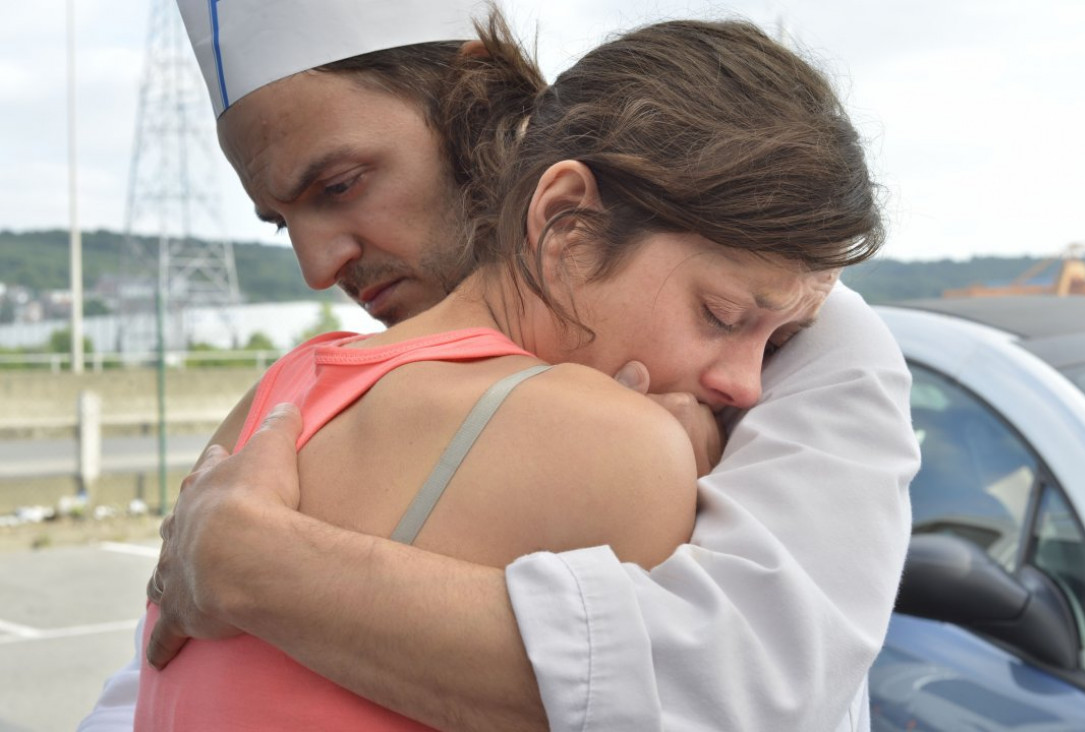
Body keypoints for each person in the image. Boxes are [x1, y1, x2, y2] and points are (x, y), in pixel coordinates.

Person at [78, 2, 919, 731]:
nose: (316, 266)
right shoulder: (617, 439)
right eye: (278, 220)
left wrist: (251, 564)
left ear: (474, 117)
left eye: (341, 183)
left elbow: (747, 685)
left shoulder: (283, 389)